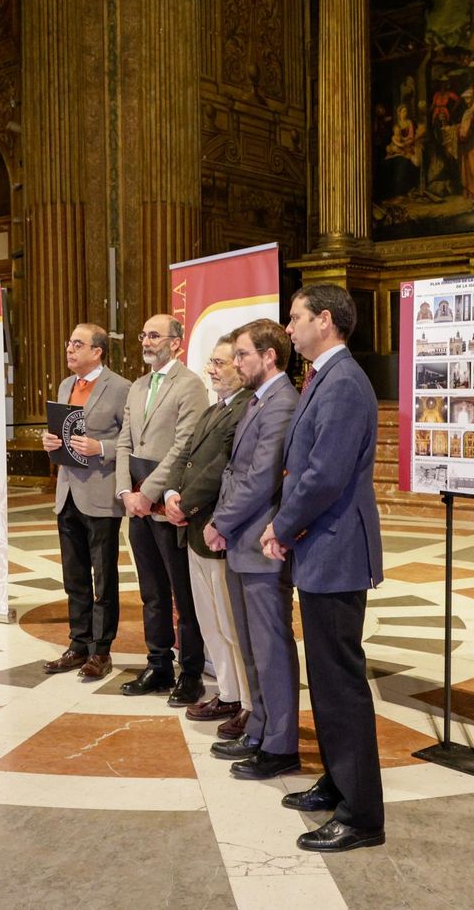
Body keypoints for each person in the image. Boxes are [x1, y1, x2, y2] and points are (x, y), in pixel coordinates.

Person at [265, 284, 385, 853]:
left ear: (327, 321)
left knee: (341, 683)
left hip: (336, 549)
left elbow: (323, 475)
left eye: (295, 318)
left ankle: (362, 815)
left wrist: (281, 526)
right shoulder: (326, 377)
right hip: (324, 547)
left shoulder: (341, 383)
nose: (288, 328)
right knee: (330, 678)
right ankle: (339, 782)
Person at [205, 319, 300, 780]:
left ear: (268, 356)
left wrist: (220, 522)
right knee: (250, 648)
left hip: (260, 542)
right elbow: (231, 472)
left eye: (242, 354)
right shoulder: (258, 402)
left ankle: (281, 744)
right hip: (240, 539)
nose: (236, 362)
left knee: (270, 648)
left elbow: (261, 478)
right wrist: (222, 524)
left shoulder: (282, 402)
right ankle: (260, 729)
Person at [115, 314, 209, 702]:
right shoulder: (137, 387)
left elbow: (184, 445)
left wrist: (148, 492)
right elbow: (124, 442)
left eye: (154, 335)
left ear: (176, 343)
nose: (146, 341)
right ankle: (157, 665)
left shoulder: (190, 386)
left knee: (181, 594)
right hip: (137, 505)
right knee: (151, 591)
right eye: (143, 334)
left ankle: (191, 673)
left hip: (168, 503)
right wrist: (125, 492)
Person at [162, 334, 252, 727]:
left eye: (219, 362)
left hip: (218, 531)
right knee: (210, 622)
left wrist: (185, 503)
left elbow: (220, 467)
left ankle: (246, 702)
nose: (211, 370)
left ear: (240, 365)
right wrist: (169, 491)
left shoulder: (246, 409)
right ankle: (228, 694)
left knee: (230, 625)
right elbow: (185, 456)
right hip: (194, 530)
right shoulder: (213, 410)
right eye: (211, 363)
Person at [39, 324, 129, 681]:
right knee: (74, 576)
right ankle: (78, 643)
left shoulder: (120, 387)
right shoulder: (65, 385)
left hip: (100, 493)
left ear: (98, 351)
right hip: (67, 492)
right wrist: (51, 440)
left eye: (78, 344)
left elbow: (131, 437)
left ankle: (101, 651)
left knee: (103, 576)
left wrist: (101, 448)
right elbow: (64, 430)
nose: (70, 349)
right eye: (68, 343)